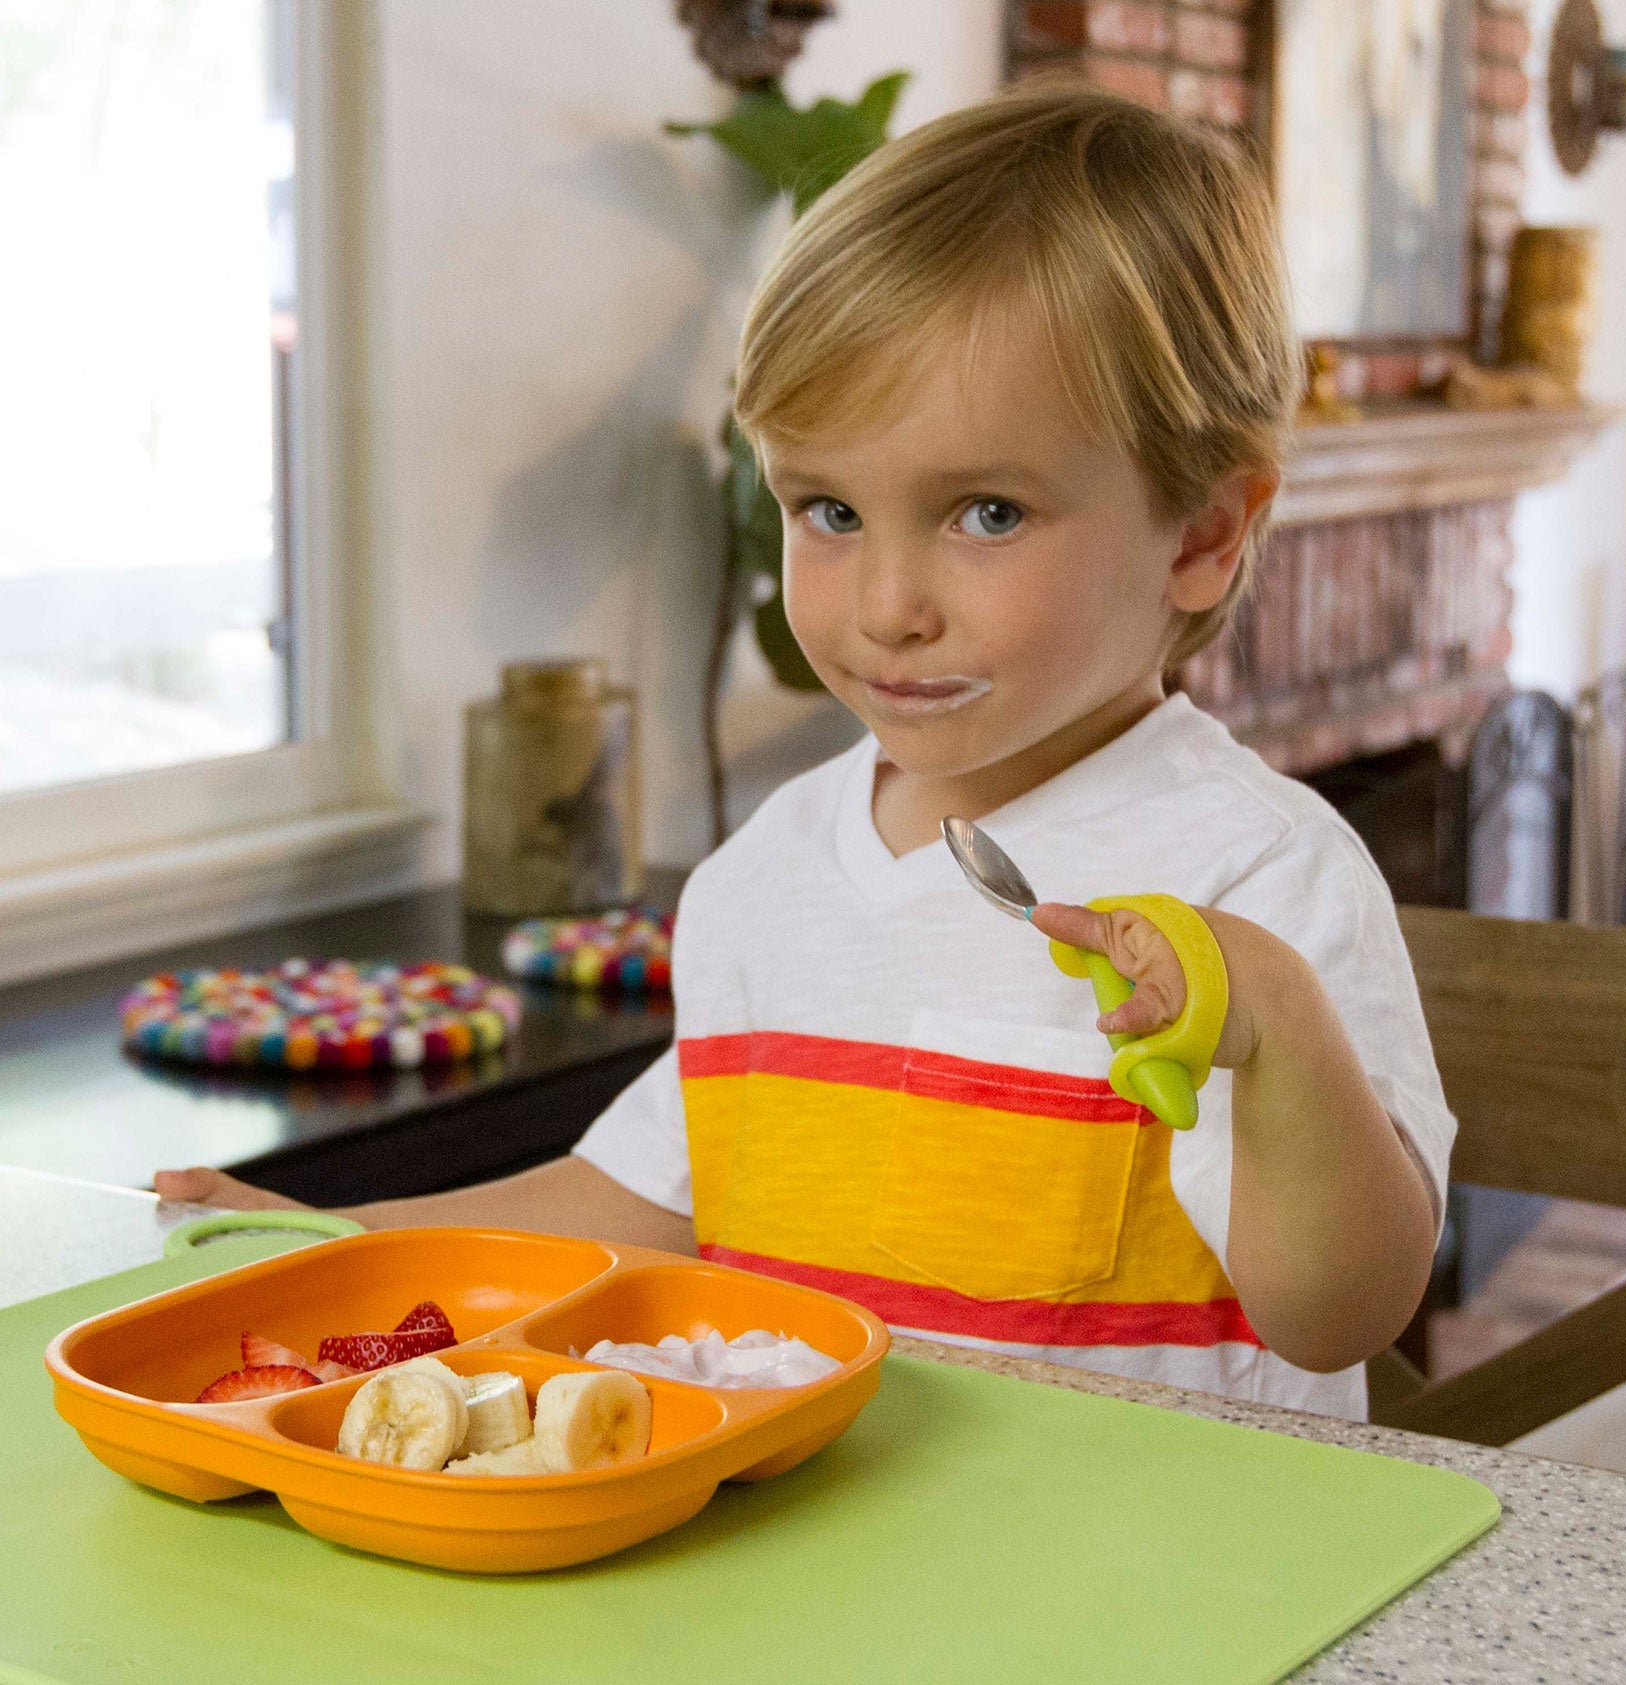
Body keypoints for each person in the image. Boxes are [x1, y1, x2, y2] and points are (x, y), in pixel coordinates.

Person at [159, 84, 1450, 1419]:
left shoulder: (1257, 875)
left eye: (987, 512)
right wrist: (324, 1239)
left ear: (1199, 535)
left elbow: (1338, 1312)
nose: (886, 601)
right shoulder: (763, 877)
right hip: (820, 1579)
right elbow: (643, 1205)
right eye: (826, 507)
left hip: (1161, 1599)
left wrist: (1275, 1028)